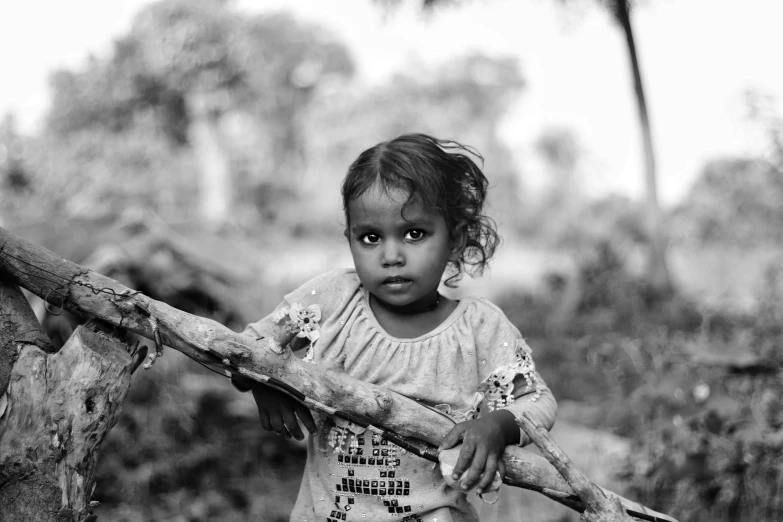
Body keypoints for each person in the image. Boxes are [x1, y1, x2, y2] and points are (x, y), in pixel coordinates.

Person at [233, 133, 557, 522]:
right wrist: (262, 378)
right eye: (370, 238)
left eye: (414, 234)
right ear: (350, 239)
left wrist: (498, 426)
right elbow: (240, 349)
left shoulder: (479, 327)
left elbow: (538, 401)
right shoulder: (332, 301)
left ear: (454, 241)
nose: (391, 256)